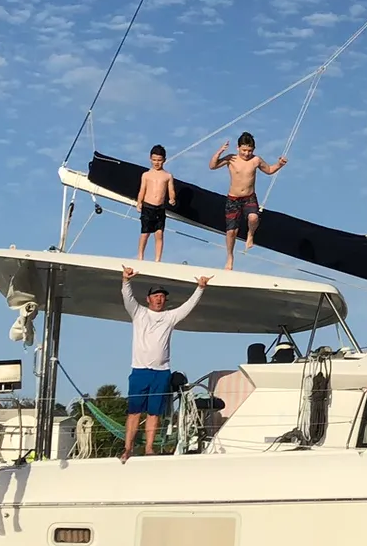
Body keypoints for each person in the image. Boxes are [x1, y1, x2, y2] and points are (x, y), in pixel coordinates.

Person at [120, 265, 210, 461]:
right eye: (155, 295)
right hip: (140, 370)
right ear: (149, 298)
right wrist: (126, 280)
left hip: (161, 372)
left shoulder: (170, 317)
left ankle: (149, 448)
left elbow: (188, 306)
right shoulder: (138, 313)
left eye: (162, 296)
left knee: (154, 413)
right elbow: (127, 298)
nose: (159, 299)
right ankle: (128, 448)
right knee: (134, 411)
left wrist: (200, 288)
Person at [208, 132, 287, 270]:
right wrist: (219, 152)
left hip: (249, 197)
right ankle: (230, 256)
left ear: (253, 150)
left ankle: (250, 234)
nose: (246, 153)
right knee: (231, 231)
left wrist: (279, 164)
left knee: (253, 217)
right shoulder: (231, 158)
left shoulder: (256, 160)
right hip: (233, 198)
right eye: (244, 150)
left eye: (249, 151)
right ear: (238, 148)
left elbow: (269, 170)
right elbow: (212, 166)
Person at [137, 144, 177, 262]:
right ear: (150, 159)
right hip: (147, 206)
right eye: (154, 160)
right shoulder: (146, 175)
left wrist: (172, 199)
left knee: (159, 233)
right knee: (145, 233)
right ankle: (140, 256)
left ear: (164, 160)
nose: (156, 162)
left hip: (160, 208)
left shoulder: (167, 176)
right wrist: (139, 202)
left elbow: (171, 191)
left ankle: (158, 259)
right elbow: (142, 190)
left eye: (159, 160)